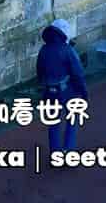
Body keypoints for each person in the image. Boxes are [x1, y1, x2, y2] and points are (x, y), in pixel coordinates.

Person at [35, 18, 87, 152]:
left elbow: (40, 72)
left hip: (49, 92)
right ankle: (68, 149)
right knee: (72, 119)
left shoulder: (43, 50)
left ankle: (55, 153)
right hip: (68, 91)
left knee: (53, 123)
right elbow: (78, 73)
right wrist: (84, 92)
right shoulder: (68, 50)